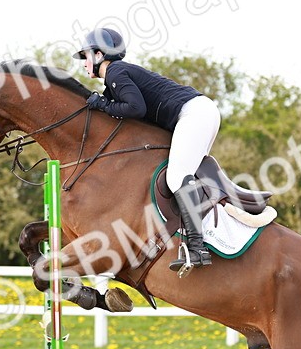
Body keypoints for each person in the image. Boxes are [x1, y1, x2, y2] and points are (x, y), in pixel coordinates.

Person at [74, 27, 220, 273]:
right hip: (198, 113)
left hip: (194, 114)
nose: (84, 63)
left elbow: (135, 108)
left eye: (86, 56)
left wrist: (100, 102)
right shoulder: (116, 78)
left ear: (99, 55)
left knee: (176, 177)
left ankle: (197, 248)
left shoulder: (115, 72)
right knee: (183, 177)